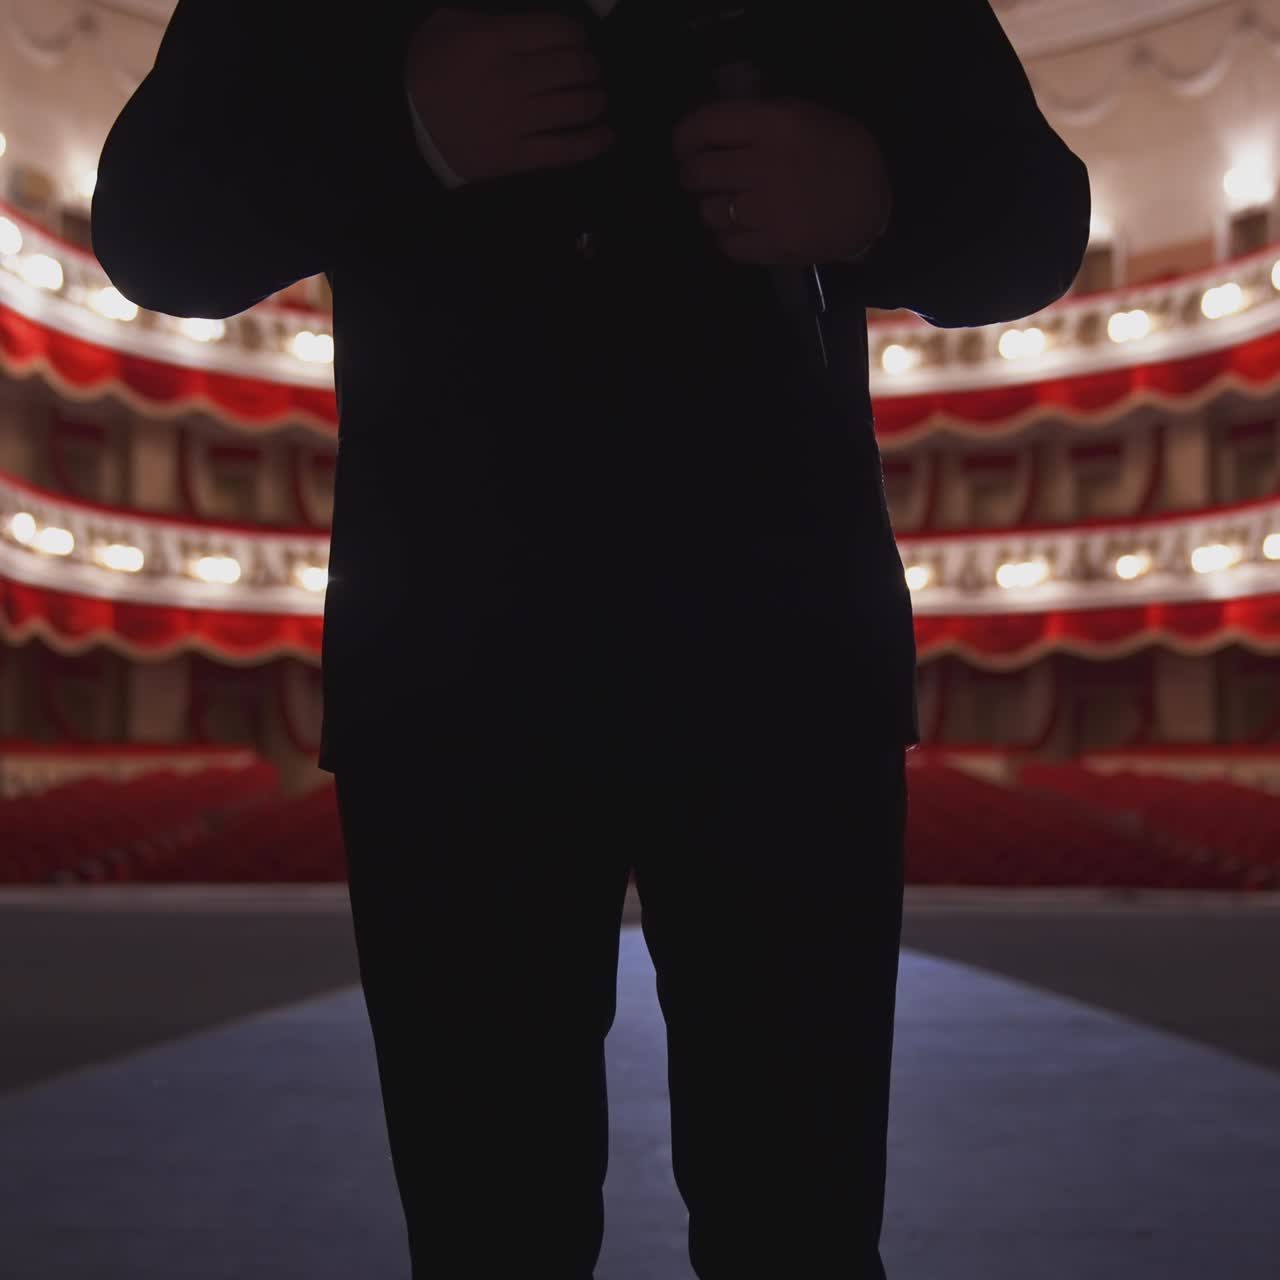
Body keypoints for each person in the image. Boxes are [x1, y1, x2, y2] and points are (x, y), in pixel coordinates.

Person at [91, 1, 1090, 1275]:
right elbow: (151, 232)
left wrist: (879, 201)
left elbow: (1037, 220)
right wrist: (401, 131)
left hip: (770, 677)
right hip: (462, 680)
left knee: (800, 1226)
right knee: (487, 1227)